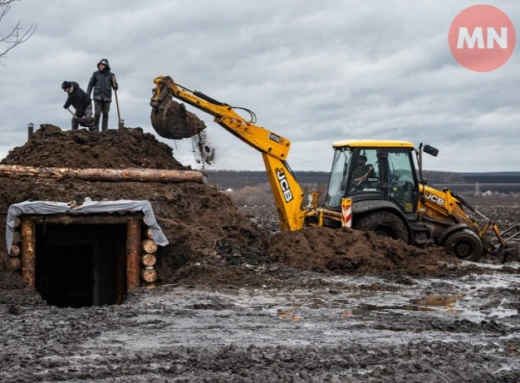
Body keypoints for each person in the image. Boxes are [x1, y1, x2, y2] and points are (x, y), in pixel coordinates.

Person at [86, 58, 118, 131]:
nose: (100, 66)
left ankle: (104, 129)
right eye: (100, 65)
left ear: (106, 66)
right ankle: (96, 128)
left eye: (102, 65)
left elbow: (115, 86)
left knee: (106, 114)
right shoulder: (95, 74)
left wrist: (115, 86)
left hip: (107, 97)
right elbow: (90, 85)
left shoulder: (111, 75)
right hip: (97, 97)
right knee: (97, 113)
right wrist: (88, 95)